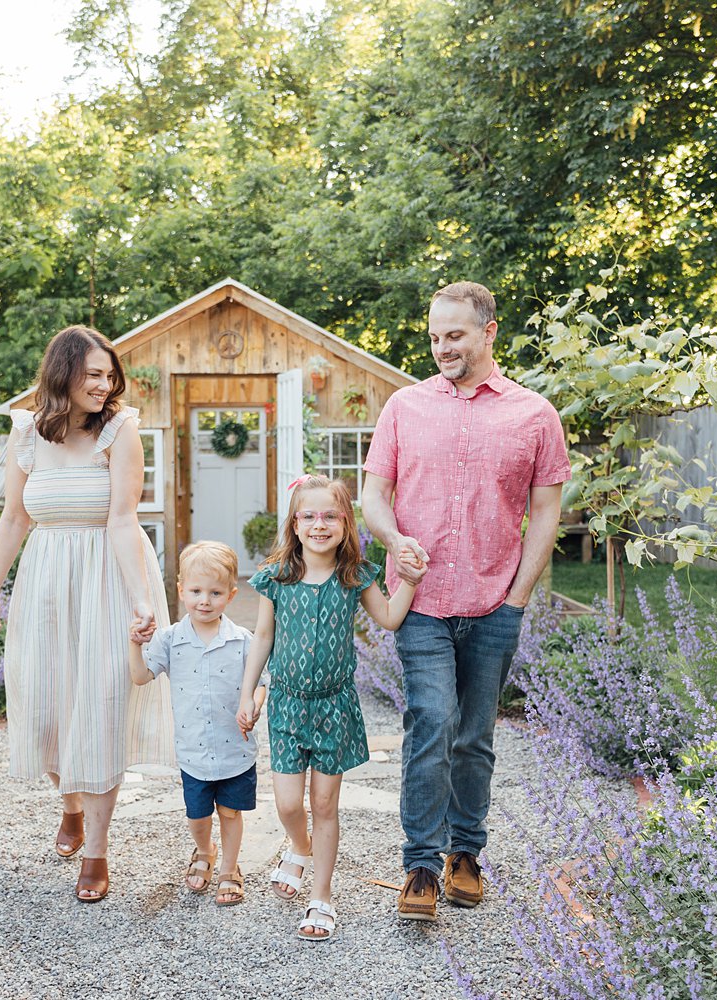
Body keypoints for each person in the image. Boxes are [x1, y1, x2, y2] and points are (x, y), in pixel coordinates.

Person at [361, 280, 571, 922]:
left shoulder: (534, 415)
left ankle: (465, 855)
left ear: (489, 332)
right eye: (433, 336)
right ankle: (421, 865)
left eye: (454, 335)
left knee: (474, 737)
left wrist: (518, 597)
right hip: (420, 603)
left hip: (493, 604)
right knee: (432, 725)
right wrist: (395, 540)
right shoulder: (404, 407)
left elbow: (545, 512)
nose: (441, 348)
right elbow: (373, 496)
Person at [0, 324, 173, 904]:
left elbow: (122, 520)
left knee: (101, 708)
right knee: (45, 708)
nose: (104, 383)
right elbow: (14, 518)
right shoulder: (25, 433)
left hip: (109, 578)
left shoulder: (120, 431)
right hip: (45, 583)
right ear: (62, 372)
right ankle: (70, 804)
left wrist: (141, 598)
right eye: (93, 373)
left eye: (109, 374)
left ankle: (97, 850)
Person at [236, 475, 425, 940]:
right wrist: (247, 693)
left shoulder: (355, 576)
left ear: (346, 522)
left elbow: (389, 618)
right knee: (285, 803)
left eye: (330, 516)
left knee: (324, 803)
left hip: (334, 708)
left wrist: (412, 583)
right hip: (286, 705)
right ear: (294, 524)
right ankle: (297, 848)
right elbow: (263, 637)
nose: (319, 525)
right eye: (309, 516)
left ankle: (322, 896)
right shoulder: (276, 577)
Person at [126, 540, 267, 907]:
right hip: (194, 752)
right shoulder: (171, 640)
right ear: (181, 590)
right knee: (198, 815)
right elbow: (141, 677)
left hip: (235, 749)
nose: (205, 600)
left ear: (231, 595)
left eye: (215, 592)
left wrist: (252, 705)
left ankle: (230, 869)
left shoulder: (242, 641)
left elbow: (261, 683)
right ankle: (204, 850)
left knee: (231, 812)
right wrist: (134, 645)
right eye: (196, 591)